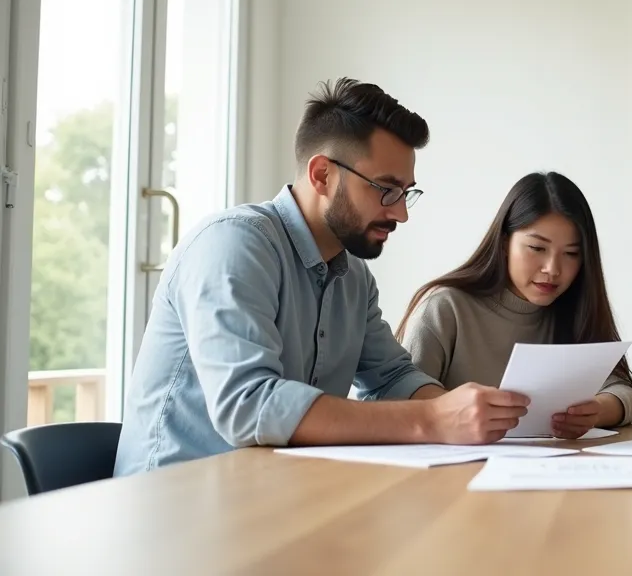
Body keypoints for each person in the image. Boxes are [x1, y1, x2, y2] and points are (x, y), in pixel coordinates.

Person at [114, 78, 530, 476]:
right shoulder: (234, 244)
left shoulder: (354, 278)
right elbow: (248, 406)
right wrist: (430, 419)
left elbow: (391, 377)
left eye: (406, 193)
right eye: (386, 189)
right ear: (322, 175)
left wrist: (461, 411)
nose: (400, 212)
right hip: (173, 509)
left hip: (270, 495)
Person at [395, 172, 632, 439]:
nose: (553, 269)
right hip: (455, 469)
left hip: (552, 467)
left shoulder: (573, 308)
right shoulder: (446, 308)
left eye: (571, 253)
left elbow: (625, 392)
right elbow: (402, 399)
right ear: (504, 244)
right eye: (537, 248)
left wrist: (596, 411)